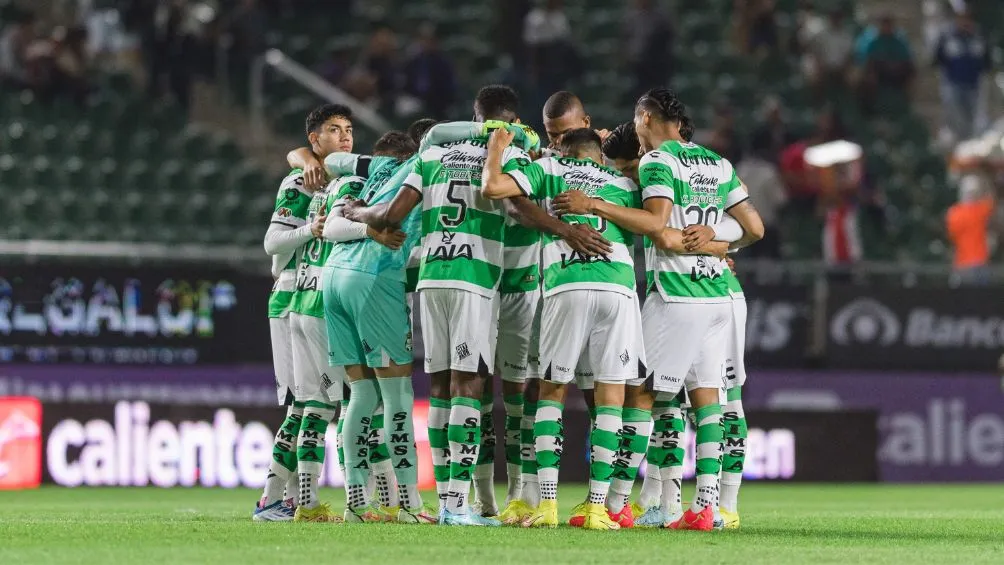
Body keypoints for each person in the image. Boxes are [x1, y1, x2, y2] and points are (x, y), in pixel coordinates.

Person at [343, 85, 609, 526]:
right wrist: (565, 229)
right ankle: (457, 504)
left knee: (443, 388)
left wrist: (357, 212)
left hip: (431, 280)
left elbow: (392, 213)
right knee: (471, 385)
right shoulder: (511, 154)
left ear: (475, 114)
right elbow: (522, 211)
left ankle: (452, 498)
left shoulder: (432, 156)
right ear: (511, 119)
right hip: (477, 281)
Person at [482, 127, 642, 530]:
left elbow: (497, 188)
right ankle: (597, 508)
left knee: (551, 390)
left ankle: (548, 505)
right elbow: (654, 222)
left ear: (563, 148)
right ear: (598, 155)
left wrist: (498, 149)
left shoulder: (550, 166)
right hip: (617, 286)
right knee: (610, 397)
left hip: (566, 283)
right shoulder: (621, 183)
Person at [631, 88, 763, 530]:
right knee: (715, 399)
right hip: (721, 292)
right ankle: (709, 507)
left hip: (677, 292)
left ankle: (620, 503)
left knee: (642, 394)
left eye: (636, 123)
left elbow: (662, 234)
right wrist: (718, 242)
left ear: (646, 117)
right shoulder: (718, 163)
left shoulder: (657, 163)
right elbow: (756, 230)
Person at [258, 104, 354, 523]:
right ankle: (290, 502)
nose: (345, 136)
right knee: (311, 404)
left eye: (348, 129)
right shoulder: (300, 181)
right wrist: (310, 229)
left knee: (304, 405)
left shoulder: (342, 179)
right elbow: (272, 242)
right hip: (292, 297)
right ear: (315, 139)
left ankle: (275, 500)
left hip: (310, 299)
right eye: (333, 130)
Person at [934, 9, 992, 140]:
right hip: (952, 83)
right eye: (962, 19)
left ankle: (969, 143)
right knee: (955, 114)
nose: (964, 22)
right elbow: (937, 59)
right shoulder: (947, 36)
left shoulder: (979, 36)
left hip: (974, 84)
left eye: (967, 19)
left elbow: (987, 62)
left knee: (972, 116)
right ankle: (958, 141)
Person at [946, 175, 995, 286]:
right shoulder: (981, 209)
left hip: (965, 263)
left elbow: (951, 236)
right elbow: (991, 197)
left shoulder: (953, 213)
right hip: (975, 263)